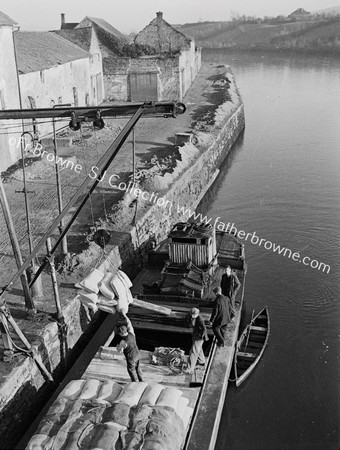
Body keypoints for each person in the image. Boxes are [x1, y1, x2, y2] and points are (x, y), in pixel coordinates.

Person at [116, 315, 143, 382]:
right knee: (138, 368)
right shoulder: (132, 333)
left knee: (131, 370)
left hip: (131, 358)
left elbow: (120, 351)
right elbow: (129, 324)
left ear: (121, 334)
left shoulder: (123, 341)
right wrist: (125, 316)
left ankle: (135, 383)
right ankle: (142, 381)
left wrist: (118, 346)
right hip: (137, 354)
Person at [184, 308, 208, 374]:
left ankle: (190, 368)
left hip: (199, 337)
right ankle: (202, 361)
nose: (192, 316)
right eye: (192, 314)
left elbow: (204, 330)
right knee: (198, 349)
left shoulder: (200, 319)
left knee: (193, 352)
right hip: (195, 336)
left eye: (194, 315)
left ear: (197, 314)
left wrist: (201, 337)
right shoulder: (193, 317)